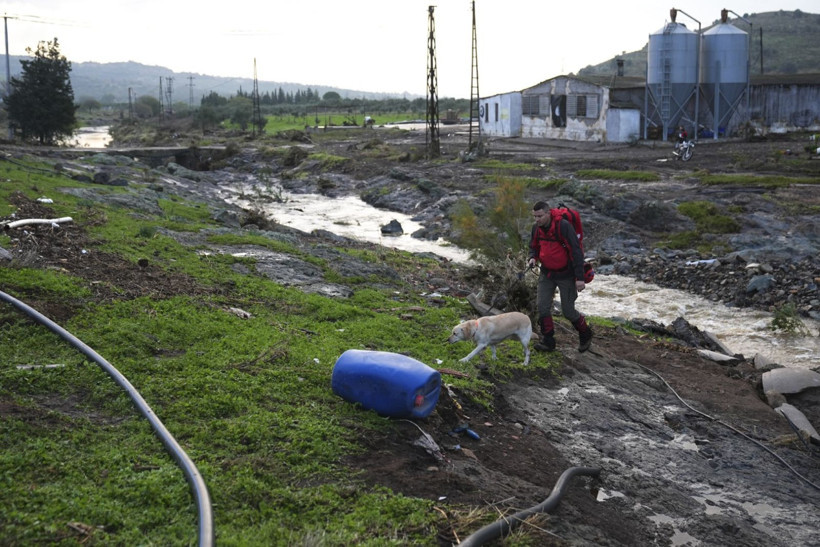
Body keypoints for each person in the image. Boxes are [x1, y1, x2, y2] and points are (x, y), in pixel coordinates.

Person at [527, 201, 593, 352]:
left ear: (548, 213)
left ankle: (585, 333)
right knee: (542, 307)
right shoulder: (536, 228)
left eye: (540, 216)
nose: (537, 220)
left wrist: (580, 278)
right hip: (547, 273)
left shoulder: (563, 226)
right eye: (534, 216)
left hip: (566, 274)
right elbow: (533, 246)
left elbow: (576, 252)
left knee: (568, 312)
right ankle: (548, 341)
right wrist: (532, 257)